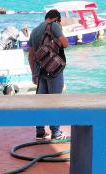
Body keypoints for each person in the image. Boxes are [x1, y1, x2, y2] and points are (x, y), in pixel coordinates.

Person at [28, 9, 69, 140]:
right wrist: (59, 31)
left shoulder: (34, 31)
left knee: (41, 102)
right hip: (54, 70)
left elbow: (31, 55)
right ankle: (55, 132)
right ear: (56, 19)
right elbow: (66, 44)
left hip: (40, 71)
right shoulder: (54, 26)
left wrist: (34, 74)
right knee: (55, 101)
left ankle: (40, 132)